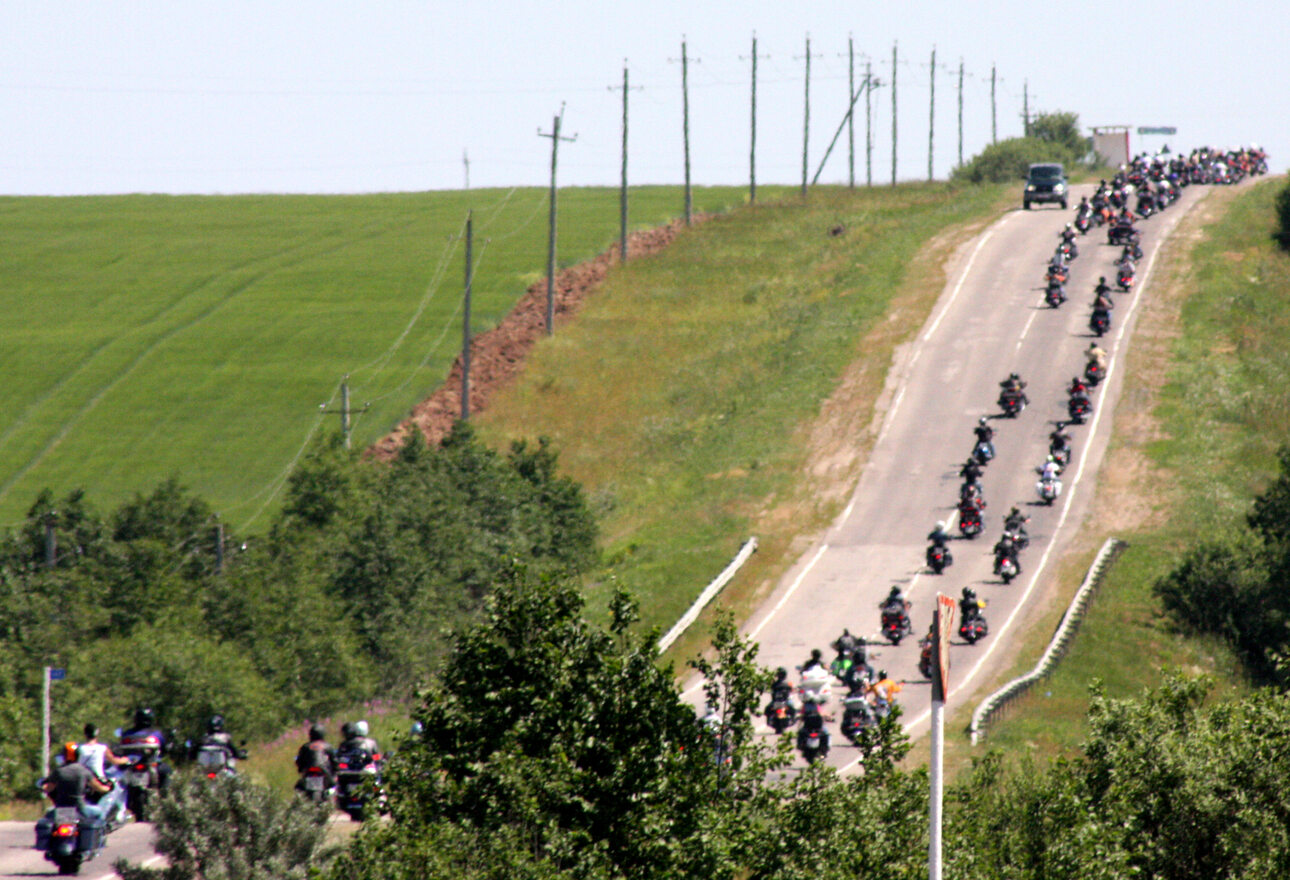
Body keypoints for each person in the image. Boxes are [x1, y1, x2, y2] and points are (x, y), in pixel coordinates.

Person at [44, 743, 110, 822]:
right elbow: (98, 788)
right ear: (78, 755)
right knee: (99, 812)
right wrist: (108, 788)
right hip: (79, 809)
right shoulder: (83, 770)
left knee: (48, 814)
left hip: (61, 809)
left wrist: (42, 787)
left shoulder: (58, 771)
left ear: (64, 756)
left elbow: (48, 788)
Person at [120, 706, 172, 792]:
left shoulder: (127, 733)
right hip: (149, 764)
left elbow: (120, 749)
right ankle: (164, 793)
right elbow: (163, 747)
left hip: (130, 765)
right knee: (167, 770)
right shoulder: (156, 733)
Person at [295, 723, 337, 791]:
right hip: (324, 772)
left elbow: (299, 761)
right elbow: (334, 761)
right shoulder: (328, 746)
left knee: (299, 787)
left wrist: (301, 769)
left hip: (309, 772)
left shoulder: (305, 747)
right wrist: (335, 771)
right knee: (333, 785)